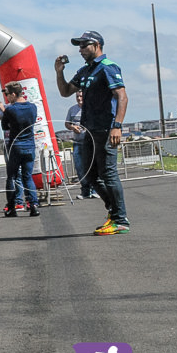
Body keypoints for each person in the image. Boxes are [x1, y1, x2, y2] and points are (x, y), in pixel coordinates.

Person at [55, 30, 130, 235]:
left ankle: (120, 220)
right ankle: (113, 213)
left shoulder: (107, 67)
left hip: (105, 128)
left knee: (108, 173)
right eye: (78, 46)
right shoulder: (84, 70)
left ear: (97, 45)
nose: (80, 49)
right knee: (89, 176)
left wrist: (117, 126)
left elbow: (122, 97)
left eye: (84, 45)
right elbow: (65, 92)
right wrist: (59, 71)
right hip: (88, 129)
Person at [0, 81, 40, 217]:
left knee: (11, 177)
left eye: (7, 94)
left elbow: (5, 127)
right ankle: (33, 204)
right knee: (27, 176)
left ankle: (11, 207)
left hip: (16, 146)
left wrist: (5, 112)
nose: (6, 97)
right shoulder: (33, 107)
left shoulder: (11, 109)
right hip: (30, 145)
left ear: (14, 94)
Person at [64, 92, 97, 199]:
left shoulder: (92, 107)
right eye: (77, 96)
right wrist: (73, 127)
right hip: (77, 143)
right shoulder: (72, 110)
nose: (79, 98)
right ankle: (85, 191)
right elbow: (67, 123)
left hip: (90, 142)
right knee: (80, 168)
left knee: (92, 166)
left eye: (81, 96)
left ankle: (95, 190)